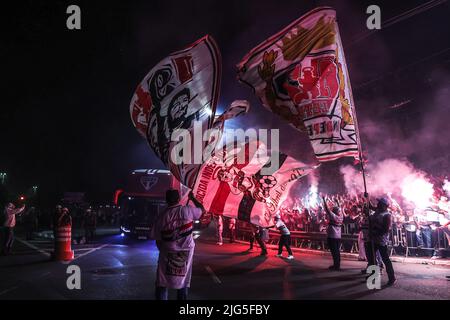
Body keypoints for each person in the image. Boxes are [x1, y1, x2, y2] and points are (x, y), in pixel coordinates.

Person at [151, 189, 205, 300]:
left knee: (162, 282)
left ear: (166, 200)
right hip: (186, 253)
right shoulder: (187, 210)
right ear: (179, 199)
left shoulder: (161, 216)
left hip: (167, 253)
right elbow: (202, 210)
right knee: (183, 281)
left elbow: (157, 239)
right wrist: (193, 198)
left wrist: (165, 251)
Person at [367, 197, 397, 286]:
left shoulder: (387, 215)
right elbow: (369, 206)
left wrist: (375, 233)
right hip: (372, 239)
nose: (378, 204)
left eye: (380, 203)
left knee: (385, 259)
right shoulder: (377, 211)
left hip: (381, 240)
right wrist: (367, 197)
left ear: (384, 205)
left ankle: (392, 278)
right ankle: (373, 275)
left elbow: (385, 229)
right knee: (371, 258)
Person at [322, 196, 344, 270]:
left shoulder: (333, 216)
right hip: (338, 236)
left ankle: (336, 266)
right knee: (337, 251)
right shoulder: (341, 216)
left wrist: (324, 200)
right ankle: (337, 265)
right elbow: (339, 208)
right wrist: (337, 202)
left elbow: (327, 209)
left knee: (334, 252)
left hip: (332, 236)